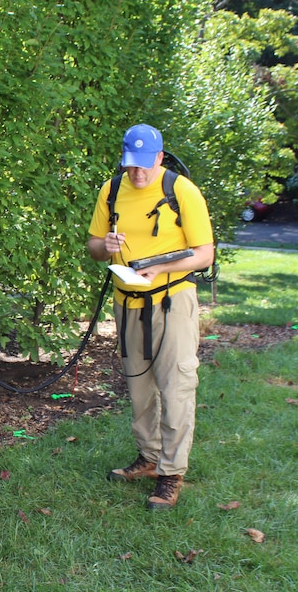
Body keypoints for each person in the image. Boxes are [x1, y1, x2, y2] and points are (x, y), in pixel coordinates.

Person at [85, 124, 214, 510]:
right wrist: (104, 246)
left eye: (144, 165)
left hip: (172, 300)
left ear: (160, 157)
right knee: (139, 387)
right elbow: (93, 246)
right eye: (131, 166)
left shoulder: (181, 191)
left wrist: (161, 269)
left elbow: (204, 253)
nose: (137, 173)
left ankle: (172, 474)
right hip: (128, 302)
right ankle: (149, 457)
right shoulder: (111, 190)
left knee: (175, 386)